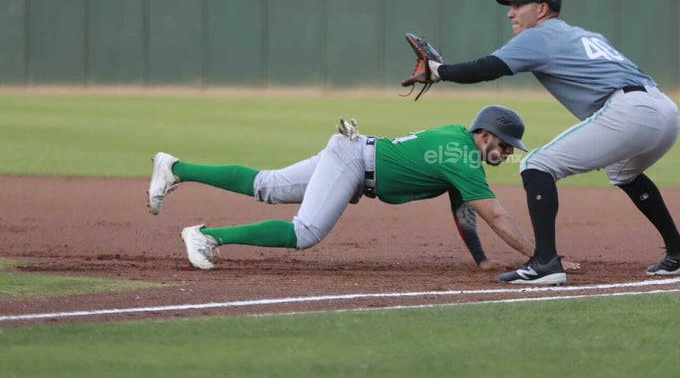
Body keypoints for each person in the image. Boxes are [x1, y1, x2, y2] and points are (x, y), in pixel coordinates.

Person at [424, 0, 680, 285]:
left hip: (631, 111)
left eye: (518, 5)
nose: (510, 13)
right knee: (624, 174)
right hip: (663, 108)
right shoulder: (582, 34)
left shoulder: (539, 35)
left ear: (541, 9)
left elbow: (489, 68)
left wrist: (439, 71)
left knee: (535, 163)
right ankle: (678, 252)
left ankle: (545, 262)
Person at [146, 105, 537, 273]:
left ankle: (175, 168)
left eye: (509, 149)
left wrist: (481, 260)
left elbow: (463, 209)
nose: (505, 152)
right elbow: (495, 214)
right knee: (306, 232)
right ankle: (206, 237)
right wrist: (539, 257)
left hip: (352, 153)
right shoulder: (461, 156)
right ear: (484, 134)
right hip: (354, 163)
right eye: (503, 144)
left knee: (266, 185)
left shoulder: (456, 139)